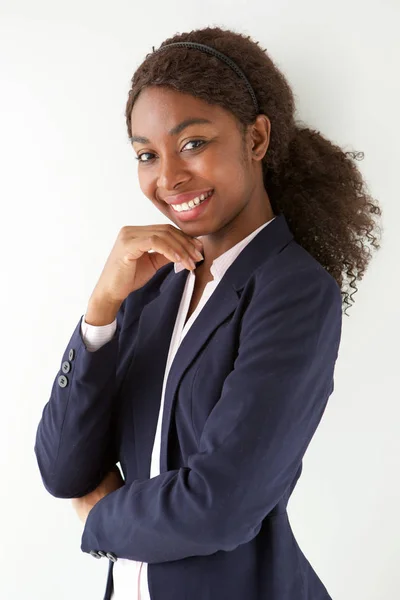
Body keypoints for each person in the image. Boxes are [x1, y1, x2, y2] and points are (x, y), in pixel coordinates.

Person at [34, 26, 382, 600]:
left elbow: (222, 503)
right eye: (147, 155)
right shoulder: (152, 288)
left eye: (193, 143)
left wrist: (101, 518)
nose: (168, 177)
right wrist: (101, 309)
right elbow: (63, 470)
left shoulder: (292, 290)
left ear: (257, 138)